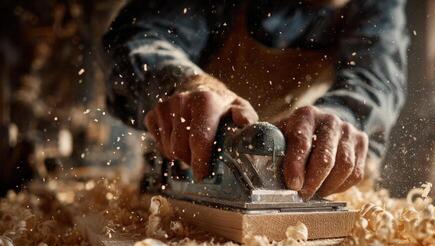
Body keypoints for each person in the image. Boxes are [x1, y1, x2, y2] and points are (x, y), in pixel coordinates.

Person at [102, 0, 408, 199]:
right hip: (187, 157)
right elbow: (139, 37)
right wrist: (181, 82)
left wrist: (342, 119)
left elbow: (374, 81)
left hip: (292, 165)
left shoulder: (376, 6)